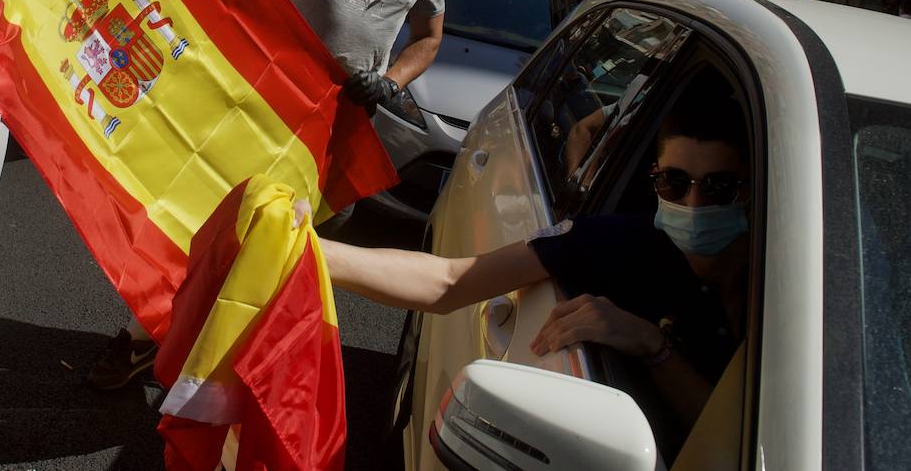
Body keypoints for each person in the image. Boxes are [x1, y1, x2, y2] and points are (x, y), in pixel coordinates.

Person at [87, 0, 450, 389]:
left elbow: (429, 37)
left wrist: (392, 81)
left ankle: (225, 361)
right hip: (268, 105)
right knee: (213, 222)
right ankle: (145, 338)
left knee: (282, 251)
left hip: (340, 127)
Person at [321, 76, 751, 446]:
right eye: (674, 184)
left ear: (752, 189)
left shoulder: (793, 289)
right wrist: (307, 247)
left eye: (718, 187)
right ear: (653, 177)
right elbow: (451, 281)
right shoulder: (622, 242)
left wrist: (652, 344)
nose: (693, 204)